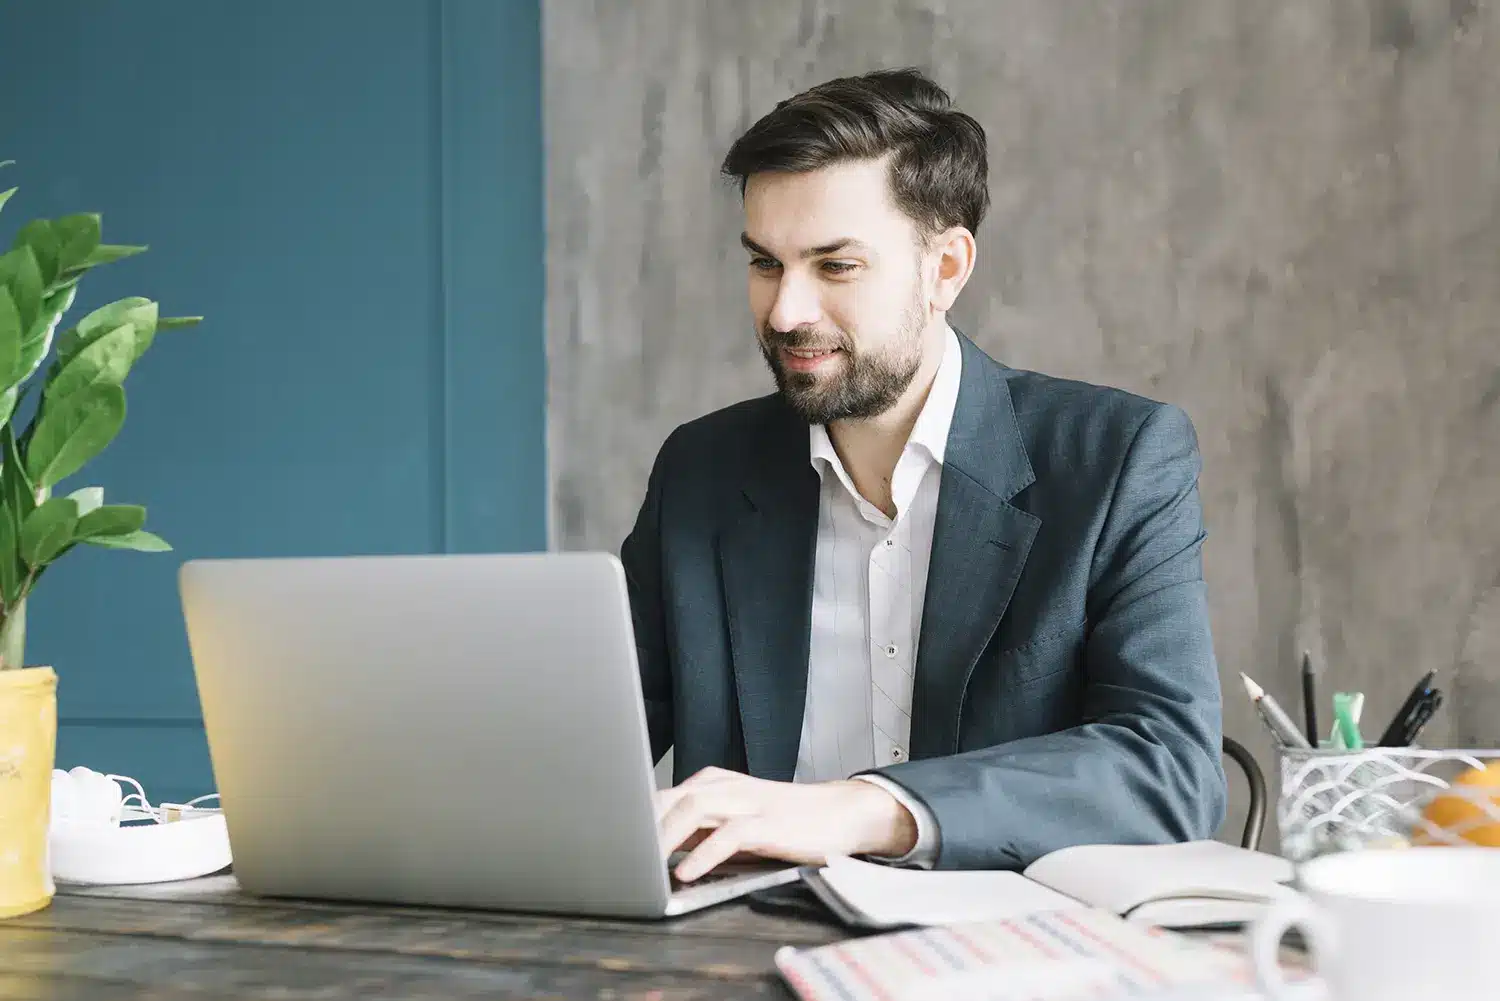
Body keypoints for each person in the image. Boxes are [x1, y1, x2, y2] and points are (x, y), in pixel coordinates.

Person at [622, 68, 1226, 882]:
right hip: (738, 941)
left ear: (946, 268)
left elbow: (1169, 770)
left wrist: (866, 806)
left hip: (1009, 955)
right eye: (766, 264)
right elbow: (584, 745)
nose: (786, 312)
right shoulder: (701, 470)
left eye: (835, 267)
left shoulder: (1118, 457)